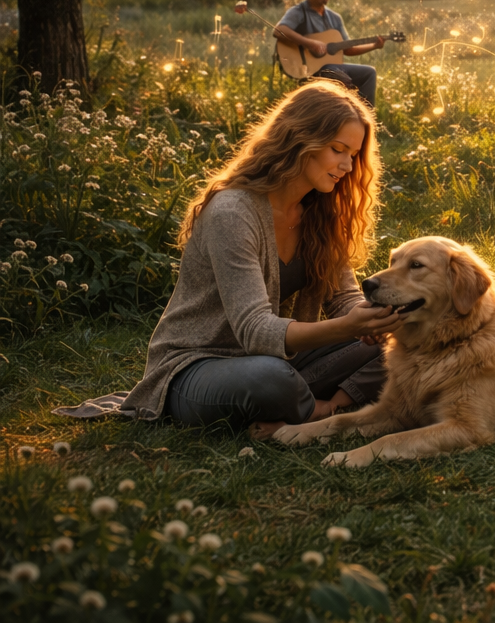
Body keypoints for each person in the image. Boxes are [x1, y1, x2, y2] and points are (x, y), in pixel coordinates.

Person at [117, 81, 402, 438]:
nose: (347, 165)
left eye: (354, 155)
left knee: (403, 342)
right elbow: (254, 330)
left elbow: (343, 297)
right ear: (299, 139)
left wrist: (376, 320)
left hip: (282, 359)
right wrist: (348, 327)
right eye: (337, 149)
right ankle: (313, 406)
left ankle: (326, 406)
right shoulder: (233, 213)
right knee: (269, 378)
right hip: (198, 366)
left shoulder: (320, 212)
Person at [274, 0, 386, 106]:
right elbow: (279, 30)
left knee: (369, 73)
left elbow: (348, 49)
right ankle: (342, 111)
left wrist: (374, 45)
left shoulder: (334, 17)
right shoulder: (298, 12)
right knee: (338, 73)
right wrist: (309, 43)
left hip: (332, 67)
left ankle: (365, 115)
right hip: (306, 67)